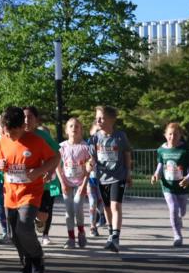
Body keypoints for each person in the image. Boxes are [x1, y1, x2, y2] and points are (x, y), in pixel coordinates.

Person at [0, 106, 59, 273]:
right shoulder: (2, 141)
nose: (10, 136)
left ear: (22, 127)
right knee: (14, 235)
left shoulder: (36, 141)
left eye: (13, 133)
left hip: (30, 193)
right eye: (6, 132)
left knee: (24, 227)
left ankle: (37, 257)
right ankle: (26, 265)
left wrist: (39, 170)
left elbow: (55, 158)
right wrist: (0, 164)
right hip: (10, 194)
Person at [90, 105, 132, 253]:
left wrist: (128, 173)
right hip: (102, 177)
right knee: (106, 208)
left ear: (111, 119)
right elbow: (92, 157)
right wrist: (90, 163)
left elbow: (127, 154)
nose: (98, 120)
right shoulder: (95, 137)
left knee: (115, 206)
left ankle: (116, 237)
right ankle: (110, 234)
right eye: (97, 118)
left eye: (101, 117)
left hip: (118, 176)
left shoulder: (120, 136)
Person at [152, 122, 189, 247]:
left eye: (176, 134)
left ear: (180, 135)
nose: (172, 137)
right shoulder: (161, 150)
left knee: (181, 211)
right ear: (165, 135)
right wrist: (156, 174)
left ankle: (179, 218)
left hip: (182, 186)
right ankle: (177, 235)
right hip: (167, 185)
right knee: (173, 208)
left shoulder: (186, 150)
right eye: (170, 134)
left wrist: (188, 178)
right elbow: (160, 165)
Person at [24, 106, 61, 246]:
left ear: (36, 120)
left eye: (30, 117)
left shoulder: (43, 136)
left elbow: (57, 155)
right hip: (28, 183)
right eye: (24, 117)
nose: (27, 120)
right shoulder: (18, 135)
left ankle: (45, 234)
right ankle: (33, 231)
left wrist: (51, 171)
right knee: (30, 210)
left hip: (48, 182)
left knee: (46, 211)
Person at [56, 118, 95, 249]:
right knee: (68, 211)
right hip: (66, 182)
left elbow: (89, 168)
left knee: (78, 206)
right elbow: (57, 166)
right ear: (67, 130)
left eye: (77, 126)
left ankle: (81, 232)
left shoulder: (85, 147)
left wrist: (84, 185)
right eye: (71, 126)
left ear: (81, 130)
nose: (74, 128)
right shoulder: (61, 147)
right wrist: (62, 183)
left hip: (80, 182)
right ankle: (71, 238)